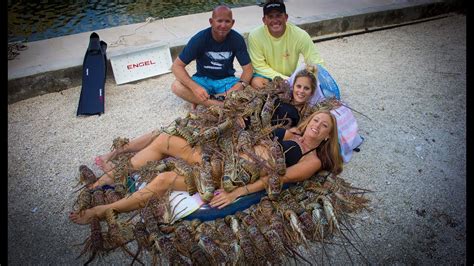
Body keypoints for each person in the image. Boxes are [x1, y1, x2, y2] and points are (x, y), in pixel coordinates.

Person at [70, 109, 342, 225]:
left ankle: (104, 210)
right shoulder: (292, 132)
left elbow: (277, 179)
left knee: (164, 180)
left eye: (324, 126)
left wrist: (237, 193)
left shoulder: (312, 159)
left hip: (236, 173)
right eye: (316, 120)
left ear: (328, 135)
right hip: (229, 155)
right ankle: (105, 180)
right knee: (164, 139)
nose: (316, 126)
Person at [94, 66, 318, 172]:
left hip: (237, 128)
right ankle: (116, 153)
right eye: (298, 86)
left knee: (170, 134)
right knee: (171, 128)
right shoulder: (276, 95)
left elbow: (267, 130)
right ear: (293, 85)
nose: (300, 91)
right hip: (229, 114)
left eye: (305, 89)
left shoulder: (295, 116)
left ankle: (119, 168)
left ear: (311, 92)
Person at [171, 5, 253, 108]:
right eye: (219, 21)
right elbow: (176, 66)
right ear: (211, 21)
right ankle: (219, 104)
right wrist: (195, 87)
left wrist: (240, 85)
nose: (223, 25)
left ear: (232, 23)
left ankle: (201, 100)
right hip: (202, 79)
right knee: (176, 86)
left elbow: (248, 69)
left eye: (227, 21)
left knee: (251, 91)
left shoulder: (237, 39)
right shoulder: (199, 39)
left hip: (226, 80)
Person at [248, 0, 324, 89]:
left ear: (286, 17)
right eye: (270, 17)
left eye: (278, 16)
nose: (275, 20)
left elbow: (315, 61)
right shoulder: (255, 35)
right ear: (264, 20)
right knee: (256, 82)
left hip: (290, 76)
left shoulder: (300, 34)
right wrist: (286, 80)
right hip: (268, 77)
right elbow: (259, 66)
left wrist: (319, 79)